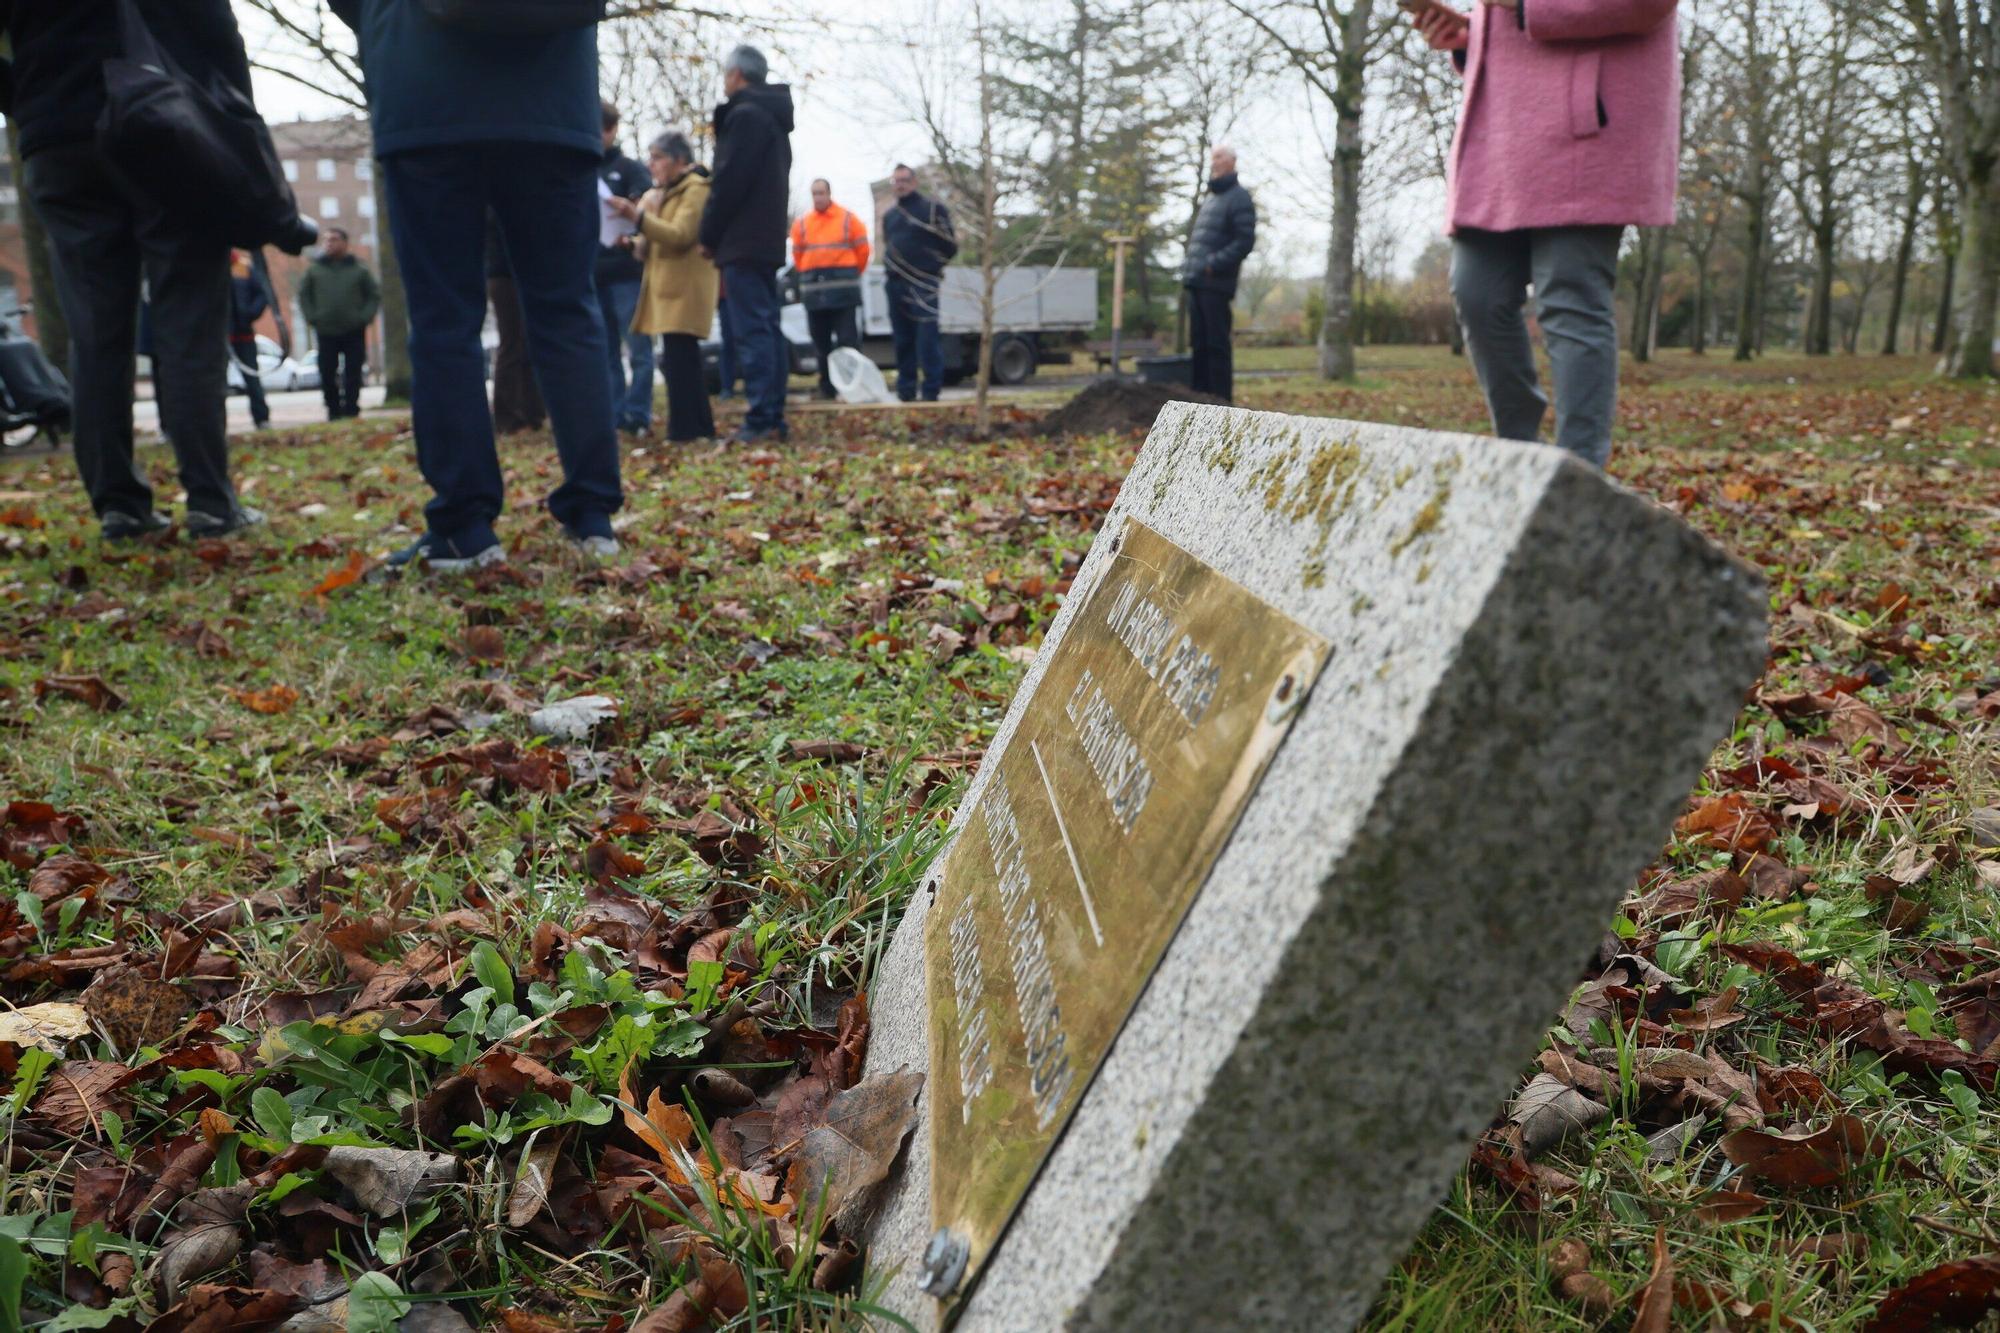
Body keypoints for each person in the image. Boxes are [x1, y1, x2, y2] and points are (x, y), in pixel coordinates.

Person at [331, 0, 624, 568]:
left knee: (445, 321)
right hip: (552, 96)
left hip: (425, 93)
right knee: (566, 310)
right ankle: (593, 516)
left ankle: (465, 526)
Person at [2, 0, 264, 538]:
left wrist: (26, 100)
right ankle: (212, 503)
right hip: (164, 121)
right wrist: (238, 126)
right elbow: (215, 27)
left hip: (56, 135)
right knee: (189, 320)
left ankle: (119, 505)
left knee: (95, 330)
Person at [1413, 0, 1679, 467]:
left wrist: (1521, 5)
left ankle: (1580, 478)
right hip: (1499, 139)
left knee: (1570, 297)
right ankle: (1520, 458)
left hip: (1586, 128)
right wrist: (1471, 34)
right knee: (1478, 294)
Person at [698, 44, 794, 445]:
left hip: (743, 240)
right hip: (765, 238)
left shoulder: (745, 116)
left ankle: (761, 418)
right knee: (766, 327)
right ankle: (771, 414)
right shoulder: (771, 118)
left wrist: (709, 234)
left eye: (725, 75)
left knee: (753, 330)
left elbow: (729, 182)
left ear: (736, 75)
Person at [622, 130, 717, 443]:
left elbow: (679, 235)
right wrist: (631, 242)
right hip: (669, 289)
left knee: (682, 361)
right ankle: (694, 428)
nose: (652, 164)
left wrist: (638, 218)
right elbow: (656, 240)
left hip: (686, 288)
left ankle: (688, 430)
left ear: (678, 160)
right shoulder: (669, 191)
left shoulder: (695, 189)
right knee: (678, 361)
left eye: (657, 157)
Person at [595, 100, 654, 436]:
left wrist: (629, 209)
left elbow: (649, 208)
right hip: (594, 272)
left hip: (627, 275)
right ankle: (616, 414)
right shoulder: (584, 170)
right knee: (606, 353)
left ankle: (638, 414)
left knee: (640, 350)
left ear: (612, 130)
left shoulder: (630, 169)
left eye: (602, 130)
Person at [1180, 146, 1255, 402]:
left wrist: (1214, 264)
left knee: (1216, 344)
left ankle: (1222, 401)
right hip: (1196, 281)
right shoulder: (1211, 198)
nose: (1215, 161)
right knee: (1198, 344)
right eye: (1213, 157)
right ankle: (1198, 400)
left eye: (1220, 157)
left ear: (1233, 161)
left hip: (1216, 283)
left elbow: (1244, 241)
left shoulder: (1239, 197)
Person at [879, 163, 956, 403]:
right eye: (896, 181)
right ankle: (906, 391)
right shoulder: (890, 216)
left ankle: (931, 391)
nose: (900, 185)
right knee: (902, 341)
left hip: (923, 284)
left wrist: (930, 269)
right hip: (895, 285)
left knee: (927, 340)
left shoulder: (932, 210)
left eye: (904, 180)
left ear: (914, 182)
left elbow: (950, 246)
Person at [790, 179, 870, 400]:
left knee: (847, 341)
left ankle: (852, 387)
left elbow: (863, 252)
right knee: (820, 344)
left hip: (843, 294)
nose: (818, 197)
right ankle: (827, 387)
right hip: (815, 296)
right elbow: (798, 256)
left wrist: (848, 276)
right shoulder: (802, 224)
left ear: (829, 193)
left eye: (821, 193)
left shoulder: (848, 220)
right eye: (814, 193)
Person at [297, 227, 379, 422]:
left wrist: (363, 318)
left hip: (353, 330)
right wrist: (312, 317)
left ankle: (352, 408)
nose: (329, 244)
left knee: (353, 370)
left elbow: (373, 296)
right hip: (325, 330)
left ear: (345, 243)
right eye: (326, 240)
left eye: (334, 240)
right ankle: (333, 409)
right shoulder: (314, 270)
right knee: (327, 370)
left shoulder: (359, 270)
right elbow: (304, 295)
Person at [486, 210, 545, 435]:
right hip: (505, 274)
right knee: (512, 343)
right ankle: (508, 417)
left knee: (526, 344)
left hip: (516, 273)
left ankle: (532, 412)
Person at [228, 250, 273, 430]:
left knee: (252, 377)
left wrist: (250, 313)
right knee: (213, 382)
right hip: (217, 335)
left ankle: (261, 417)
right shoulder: (207, 265)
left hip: (243, 333)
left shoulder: (244, 267)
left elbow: (262, 293)